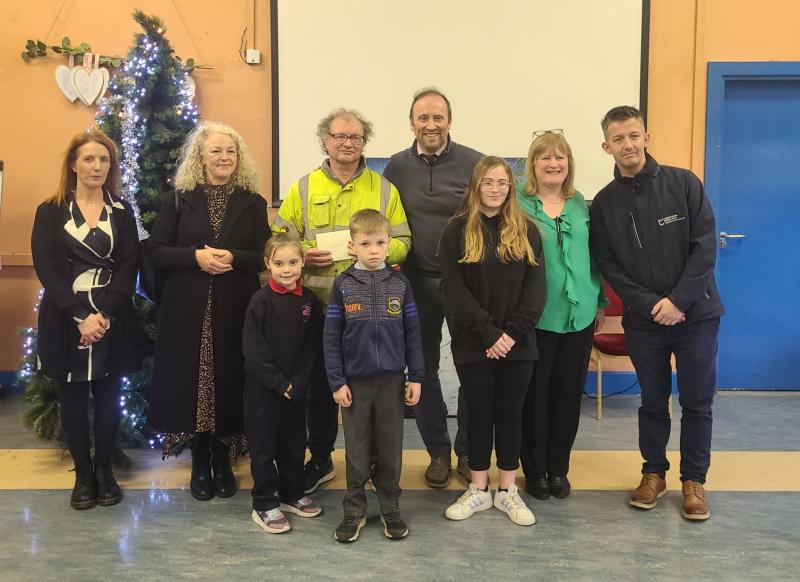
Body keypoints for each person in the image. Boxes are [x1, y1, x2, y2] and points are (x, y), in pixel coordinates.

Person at [589, 106, 724, 521]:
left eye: (634, 135)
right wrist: (650, 305)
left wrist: (679, 301)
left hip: (696, 315)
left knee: (697, 402)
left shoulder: (684, 184)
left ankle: (694, 481)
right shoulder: (605, 204)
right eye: (618, 138)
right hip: (645, 322)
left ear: (646, 137)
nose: (627, 144)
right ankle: (653, 473)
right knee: (651, 401)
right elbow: (608, 264)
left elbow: (704, 247)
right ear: (606, 146)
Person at [273, 108, 411, 495]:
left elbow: (404, 242)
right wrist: (302, 251)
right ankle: (320, 459)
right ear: (325, 140)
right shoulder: (303, 188)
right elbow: (278, 240)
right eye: (339, 137)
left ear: (364, 141)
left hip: (370, 310)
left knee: (368, 388)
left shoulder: (384, 189)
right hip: (315, 306)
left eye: (355, 137)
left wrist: (373, 254)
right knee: (320, 386)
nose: (347, 143)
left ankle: (369, 463)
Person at [148, 122, 270, 501]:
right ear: (200, 156)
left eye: (230, 151)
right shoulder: (177, 199)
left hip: (234, 307)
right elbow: (155, 252)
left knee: (229, 378)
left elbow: (262, 255)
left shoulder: (252, 201)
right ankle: (200, 458)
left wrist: (234, 256)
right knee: (194, 381)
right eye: (216, 151)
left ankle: (222, 457)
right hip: (187, 311)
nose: (224, 158)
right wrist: (195, 257)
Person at [31, 128, 143, 510]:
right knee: (74, 397)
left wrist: (105, 314)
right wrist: (81, 317)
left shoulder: (123, 211)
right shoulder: (50, 211)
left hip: (112, 317)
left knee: (110, 397)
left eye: (104, 160)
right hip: (66, 318)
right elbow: (47, 268)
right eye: (89, 159)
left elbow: (130, 266)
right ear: (74, 164)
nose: (97, 166)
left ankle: (104, 471)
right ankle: (82, 474)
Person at [383, 88, 483, 488]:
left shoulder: (474, 163)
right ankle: (438, 452)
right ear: (412, 122)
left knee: (472, 368)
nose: (431, 125)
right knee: (421, 371)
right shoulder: (395, 167)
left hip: (465, 283)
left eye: (438, 117)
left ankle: (468, 452)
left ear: (449, 121)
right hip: (415, 284)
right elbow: (384, 221)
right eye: (423, 118)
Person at [440, 156, 546, 526]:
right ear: (476, 186)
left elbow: (536, 291)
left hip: (519, 344)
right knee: (480, 415)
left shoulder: (527, 230)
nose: (496, 189)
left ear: (510, 187)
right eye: (489, 182)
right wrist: (488, 334)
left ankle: (507, 492)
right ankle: (479, 490)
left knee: (510, 415)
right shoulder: (456, 231)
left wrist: (510, 335)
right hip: (474, 342)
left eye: (503, 182)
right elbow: (455, 290)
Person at [516, 131, 607, 500]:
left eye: (560, 158)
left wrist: (599, 302)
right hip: (536, 317)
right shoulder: (517, 205)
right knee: (534, 398)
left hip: (580, 315)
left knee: (568, 396)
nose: (553, 164)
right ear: (532, 165)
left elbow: (596, 258)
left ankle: (558, 469)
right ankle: (534, 471)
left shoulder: (581, 206)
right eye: (544, 158)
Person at [323, 209, 423, 542]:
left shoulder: (400, 284)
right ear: (352, 246)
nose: (374, 250)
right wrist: (337, 381)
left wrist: (417, 377)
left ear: (389, 243)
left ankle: (390, 507)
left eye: (380, 242)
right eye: (365, 243)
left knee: (391, 445)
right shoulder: (343, 285)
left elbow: (413, 334)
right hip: (354, 384)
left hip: (392, 383)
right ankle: (354, 510)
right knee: (357, 447)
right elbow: (331, 337)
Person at [243, 232, 324, 534]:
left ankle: (291, 494)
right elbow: (254, 351)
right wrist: (278, 383)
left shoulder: (309, 302)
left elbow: (311, 348)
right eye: (279, 263)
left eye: (292, 262)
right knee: (264, 447)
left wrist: (297, 383)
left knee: (293, 444)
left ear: (303, 262)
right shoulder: (260, 301)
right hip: (265, 391)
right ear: (268, 264)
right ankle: (264, 502)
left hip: (296, 391)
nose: (287, 269)